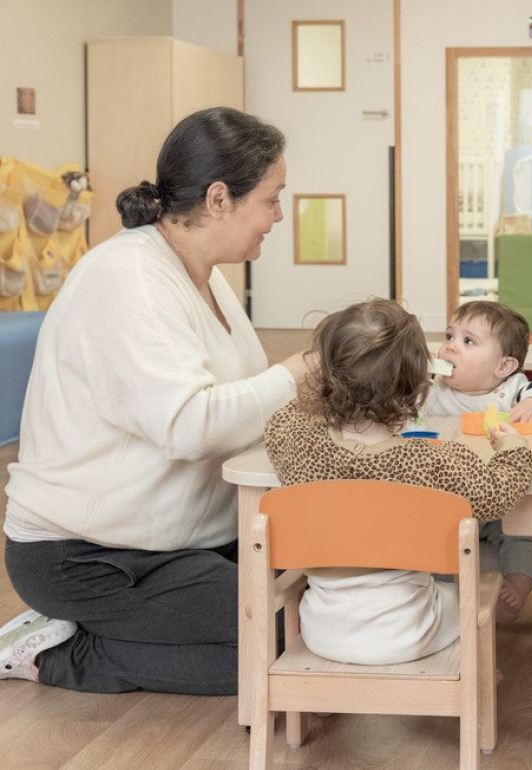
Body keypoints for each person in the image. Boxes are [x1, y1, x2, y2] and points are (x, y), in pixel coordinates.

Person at [2, 107, 312, 694]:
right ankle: (58, 652)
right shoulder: (130, 278)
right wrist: (298, 372)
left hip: (182, 540)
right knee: (282, 641)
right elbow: (190, 424)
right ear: (219, 199)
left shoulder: (204, 272)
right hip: (91, 555)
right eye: (272, 199)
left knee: (329, 614)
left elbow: (241, 401)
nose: (278, 216)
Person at [264, 299, 532, 665]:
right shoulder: (430, 462)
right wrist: (513, 447)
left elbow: (284, 418)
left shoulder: (297, 446)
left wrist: (328, 384)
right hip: (409, 632)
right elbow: (498, 494)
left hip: (320, 632)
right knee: (466, 595)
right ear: (417, 388)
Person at [425, 300, 532, 624]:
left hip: (503, 503)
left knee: (529, 534)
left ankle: (517, 586)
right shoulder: (431, 390)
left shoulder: (513, 390)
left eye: (468, 341)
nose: (450, 346)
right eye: (449, 335)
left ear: (503, 367)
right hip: (448, 501)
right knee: (423, 534)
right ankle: (436, 602)